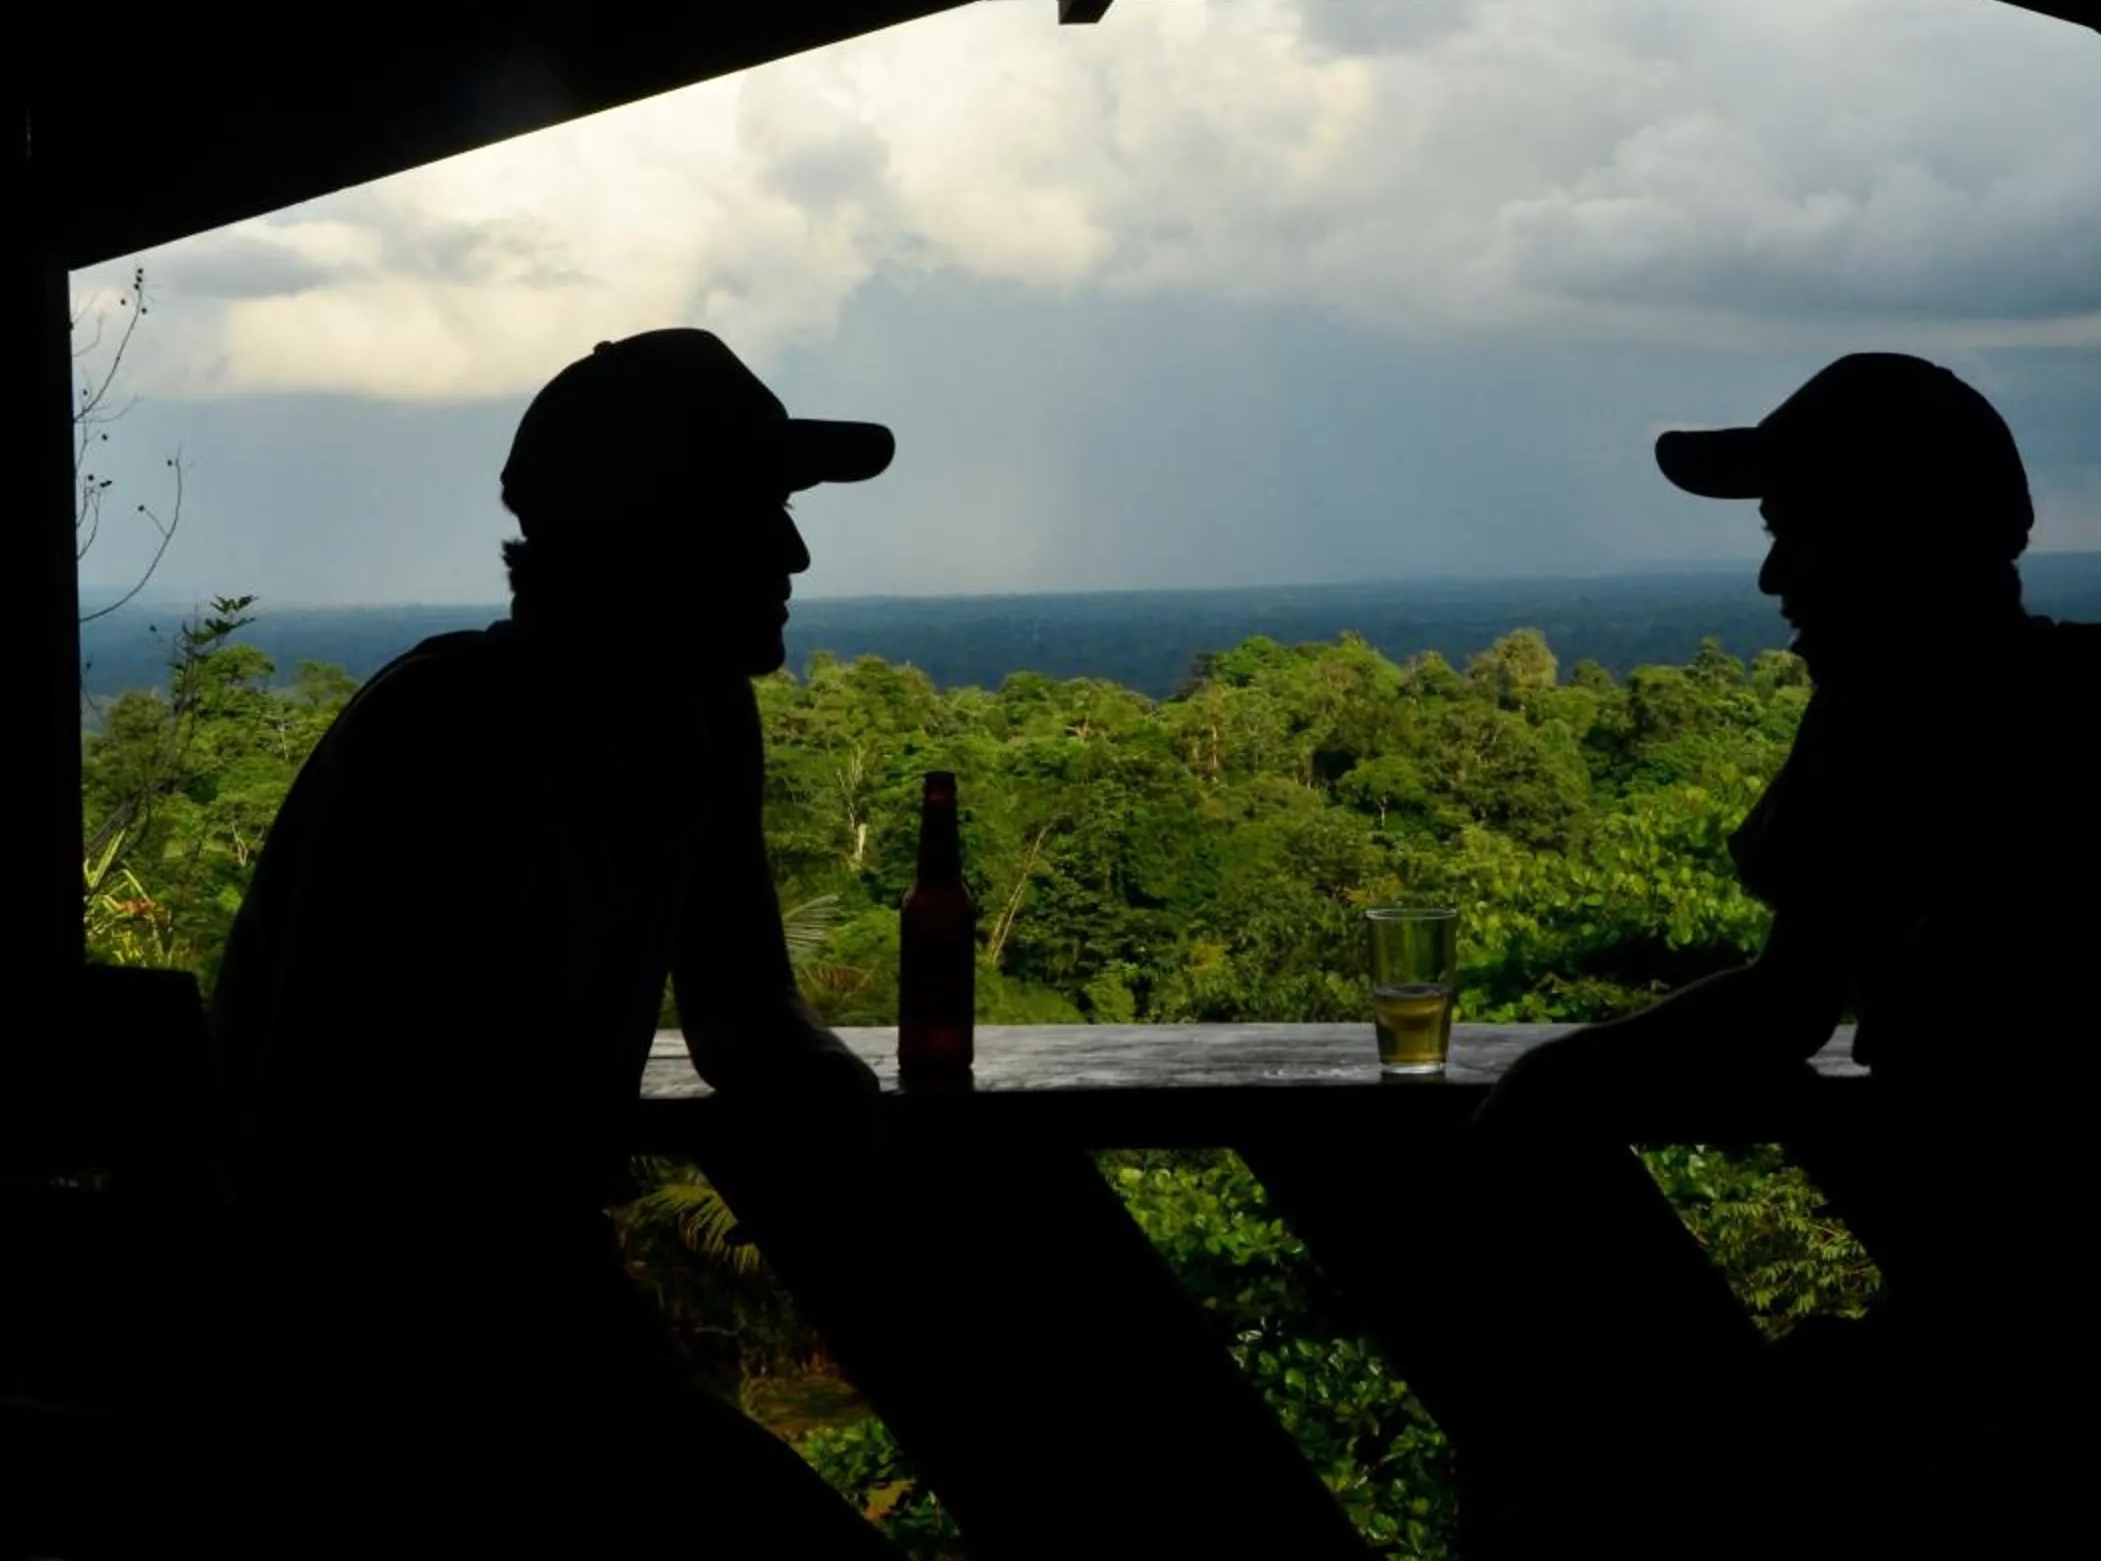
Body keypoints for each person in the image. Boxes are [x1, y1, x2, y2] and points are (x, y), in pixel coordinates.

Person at [206, 330, 1356, 1556]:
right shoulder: (445, 743)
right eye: (757, 509)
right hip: (369, 1363)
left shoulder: (692, 718)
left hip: (529, 1323)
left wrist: (860, 1144)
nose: (796, 549)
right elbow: (325, 1153)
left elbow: (749, 1015)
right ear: (647, 534)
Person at [1365, 353, 2101, 1555]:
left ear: (1905, 535)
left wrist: (2028, 916)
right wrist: (1556, 1078)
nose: (1773, 575)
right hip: (2051, 1360)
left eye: (1801, 531)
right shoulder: (1878, 726)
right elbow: (1793, 994)